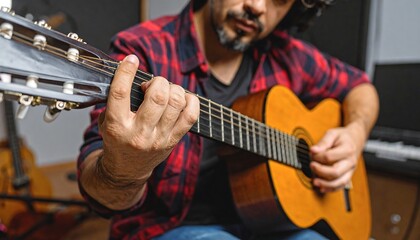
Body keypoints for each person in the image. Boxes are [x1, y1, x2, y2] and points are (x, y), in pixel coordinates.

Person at [77, 0, 379, 239]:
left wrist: (355, 133)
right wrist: (124, 169)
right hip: (170, 228)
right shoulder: (143, 50)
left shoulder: (289, 56)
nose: (258, 6)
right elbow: (98, 188)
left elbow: (361, 87)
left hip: (274, 226)